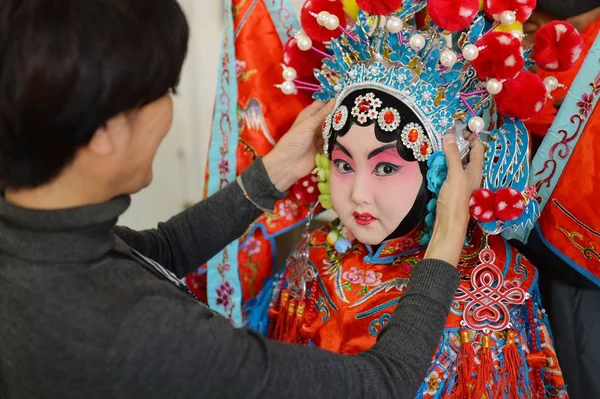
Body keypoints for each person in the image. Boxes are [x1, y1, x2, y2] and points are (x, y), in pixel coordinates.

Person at [0, 1, 479, 398]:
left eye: (387, 166)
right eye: (166, 90)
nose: (357, 191)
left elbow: (157, 252)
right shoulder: (135, 333)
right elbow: (382, 386)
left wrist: (274, 172)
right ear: (104, 130)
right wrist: (445, 243)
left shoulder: (29, 243)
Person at [249, 0, 574, 397]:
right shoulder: (316, 256)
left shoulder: (489, 286)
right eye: (343, 164)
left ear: (442, 172)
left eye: (385, 168)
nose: (357, 195)